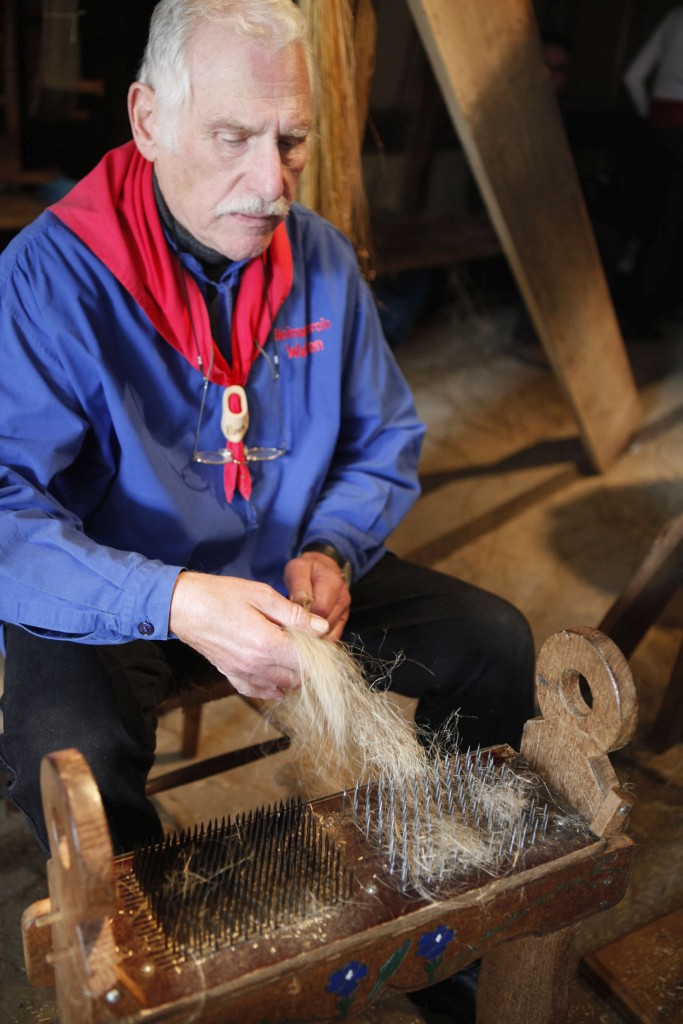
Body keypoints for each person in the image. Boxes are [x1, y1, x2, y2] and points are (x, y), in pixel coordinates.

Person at [0, 0, 534, 863]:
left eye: (291, 141)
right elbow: (5, 511)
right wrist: (173, 600)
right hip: (115, 588)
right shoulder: (46, 278)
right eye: (232, 137)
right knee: (72, 759)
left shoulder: (321, 258)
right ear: (148, 119)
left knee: (495, 643)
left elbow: (382, 438)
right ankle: (157, 928)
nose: (272, 182)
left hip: (278, 570)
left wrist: (330, 548)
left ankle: (457, 885)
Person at [622, 6, 683, 334]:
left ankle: (637, 306)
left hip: (659, 130)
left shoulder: (674, 16)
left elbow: (633, 76)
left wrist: (651, 116)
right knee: (670, 225)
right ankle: (649, 311)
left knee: (655, 222)